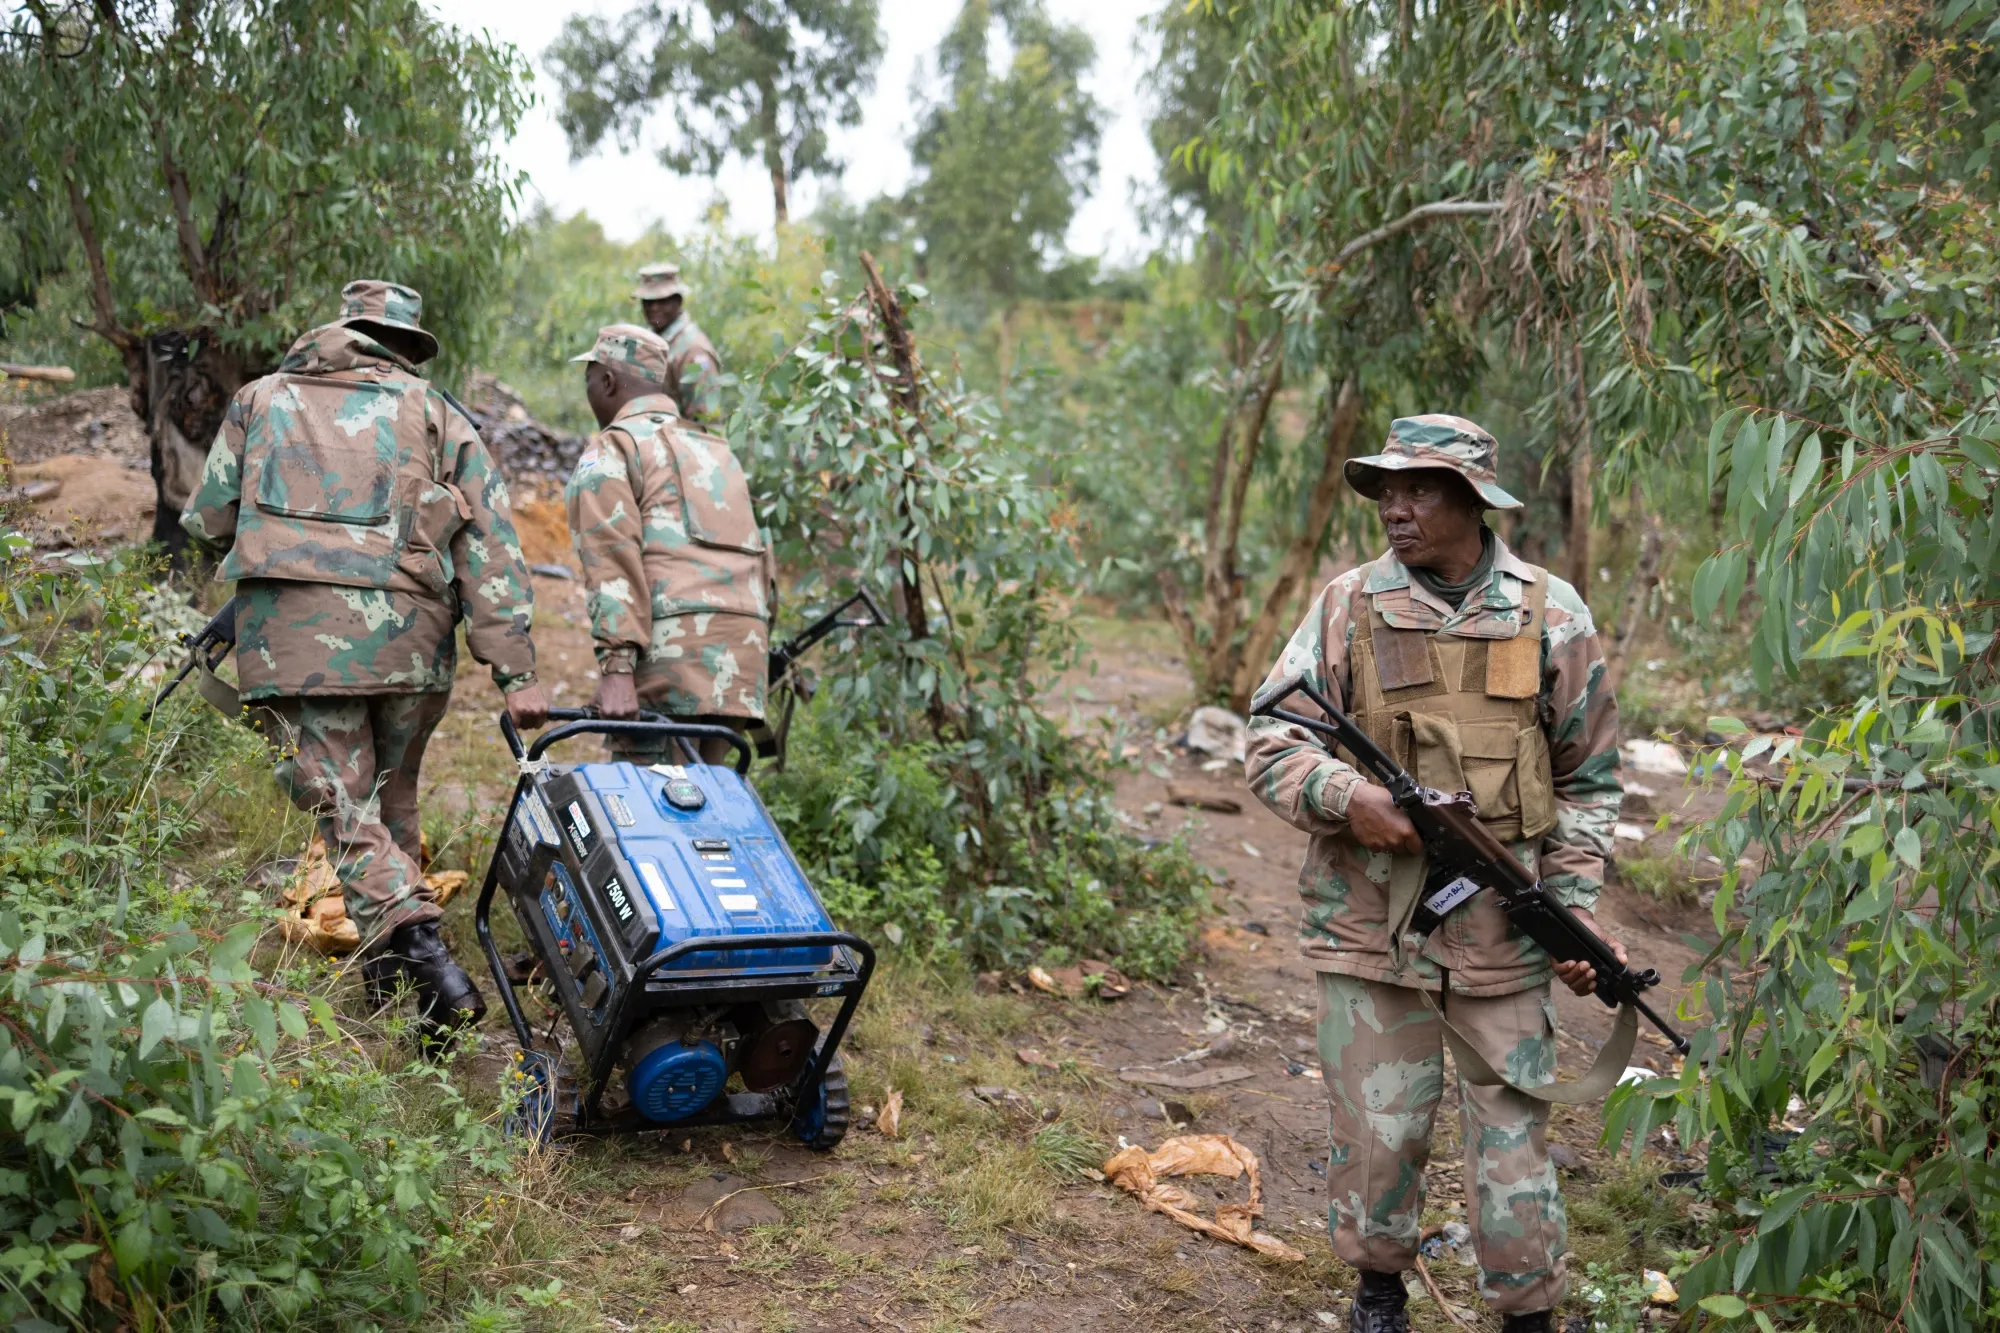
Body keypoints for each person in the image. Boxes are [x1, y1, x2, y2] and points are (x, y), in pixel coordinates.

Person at [1244, 415, 1626, 1333]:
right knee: (1380, 1132)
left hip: (1503, 928)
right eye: (1386, 489)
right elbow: (1269, 737)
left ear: (1473, 499)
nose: (1395, 507)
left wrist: (1569, 914)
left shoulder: (1552, 611)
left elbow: (1589, 778)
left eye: (1419, 489)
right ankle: (1379, 1293)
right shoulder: (1347, 604)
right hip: (1371, 927)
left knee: (1514, 1138)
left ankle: (1528, 1313)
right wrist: (1348, 798)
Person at [181, 279, 549, 1044]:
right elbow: (491, 548)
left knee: (345, 813)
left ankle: (425, 953)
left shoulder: (259, 399)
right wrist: (516, 673)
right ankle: (396, 984)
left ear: (343, 328)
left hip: (298, 643)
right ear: (405, 346)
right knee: (392, 803)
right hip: (412, 642)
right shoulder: (439, 413)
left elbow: (211, 518)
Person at [563, 324, 772, 761]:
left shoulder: (615, 448)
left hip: (671, 658)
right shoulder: (717, 451)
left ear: (608, 381)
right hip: (741, 663)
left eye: (589, 379)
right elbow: (761, 561)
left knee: (650, 807)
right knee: (706, 806)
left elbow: (611, 557)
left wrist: (618, 669)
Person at [633, 262, 725, 425]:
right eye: (647, 301)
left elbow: (707, 421)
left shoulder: (693, 353)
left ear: (678, 300)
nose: (654, 307)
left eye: (662, 301)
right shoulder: (648, 344)